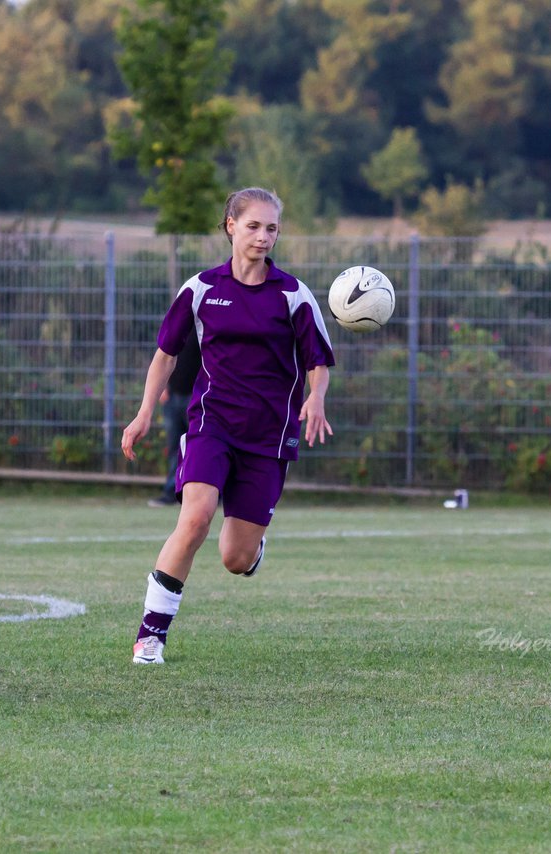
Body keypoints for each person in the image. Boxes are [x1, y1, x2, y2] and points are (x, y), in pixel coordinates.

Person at [121, 187, 335, 664]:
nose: (264, 236)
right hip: (211, 421)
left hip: (269, 434)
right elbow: (165, 355)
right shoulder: (200, 289)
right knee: (195, 517)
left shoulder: (293, 296)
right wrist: (143, 413)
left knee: (235, 560)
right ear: (230, 226)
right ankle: (150, 636)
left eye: (272, 228)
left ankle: (254, 544)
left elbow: (319, 361)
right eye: (254, 226)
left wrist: (316, 399)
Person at [147, 330, 200, 507]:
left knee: (201, 447)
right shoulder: (177, 325)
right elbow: (164, 357)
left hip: (198, 399)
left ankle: (206, 495)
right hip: (173, 397)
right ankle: (172, 491)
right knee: (174, 448)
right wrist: (163, 387)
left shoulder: (208, 323)